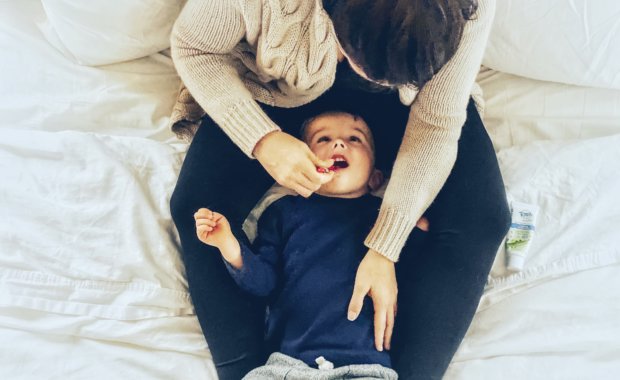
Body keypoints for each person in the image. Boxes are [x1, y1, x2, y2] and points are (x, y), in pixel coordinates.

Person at [169, 0, 511, 378]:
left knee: (483, 219)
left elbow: (436, 122)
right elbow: (195, 47)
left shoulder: (466, 8)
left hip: (407, 112)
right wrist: (261, 139)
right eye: (370, 68)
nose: (380, 80)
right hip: (274, 88)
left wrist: (386, 246)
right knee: (196, 204)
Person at [194, 111, 408, 379]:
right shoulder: (282, 212)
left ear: (376, 177)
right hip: (288, 364)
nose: (339, 144)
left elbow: (415, 271)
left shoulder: (386, 219)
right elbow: (264, 284)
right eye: (323, 139)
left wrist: (419, 230)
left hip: (365, 365)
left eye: (355, 139)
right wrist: (230, 246)